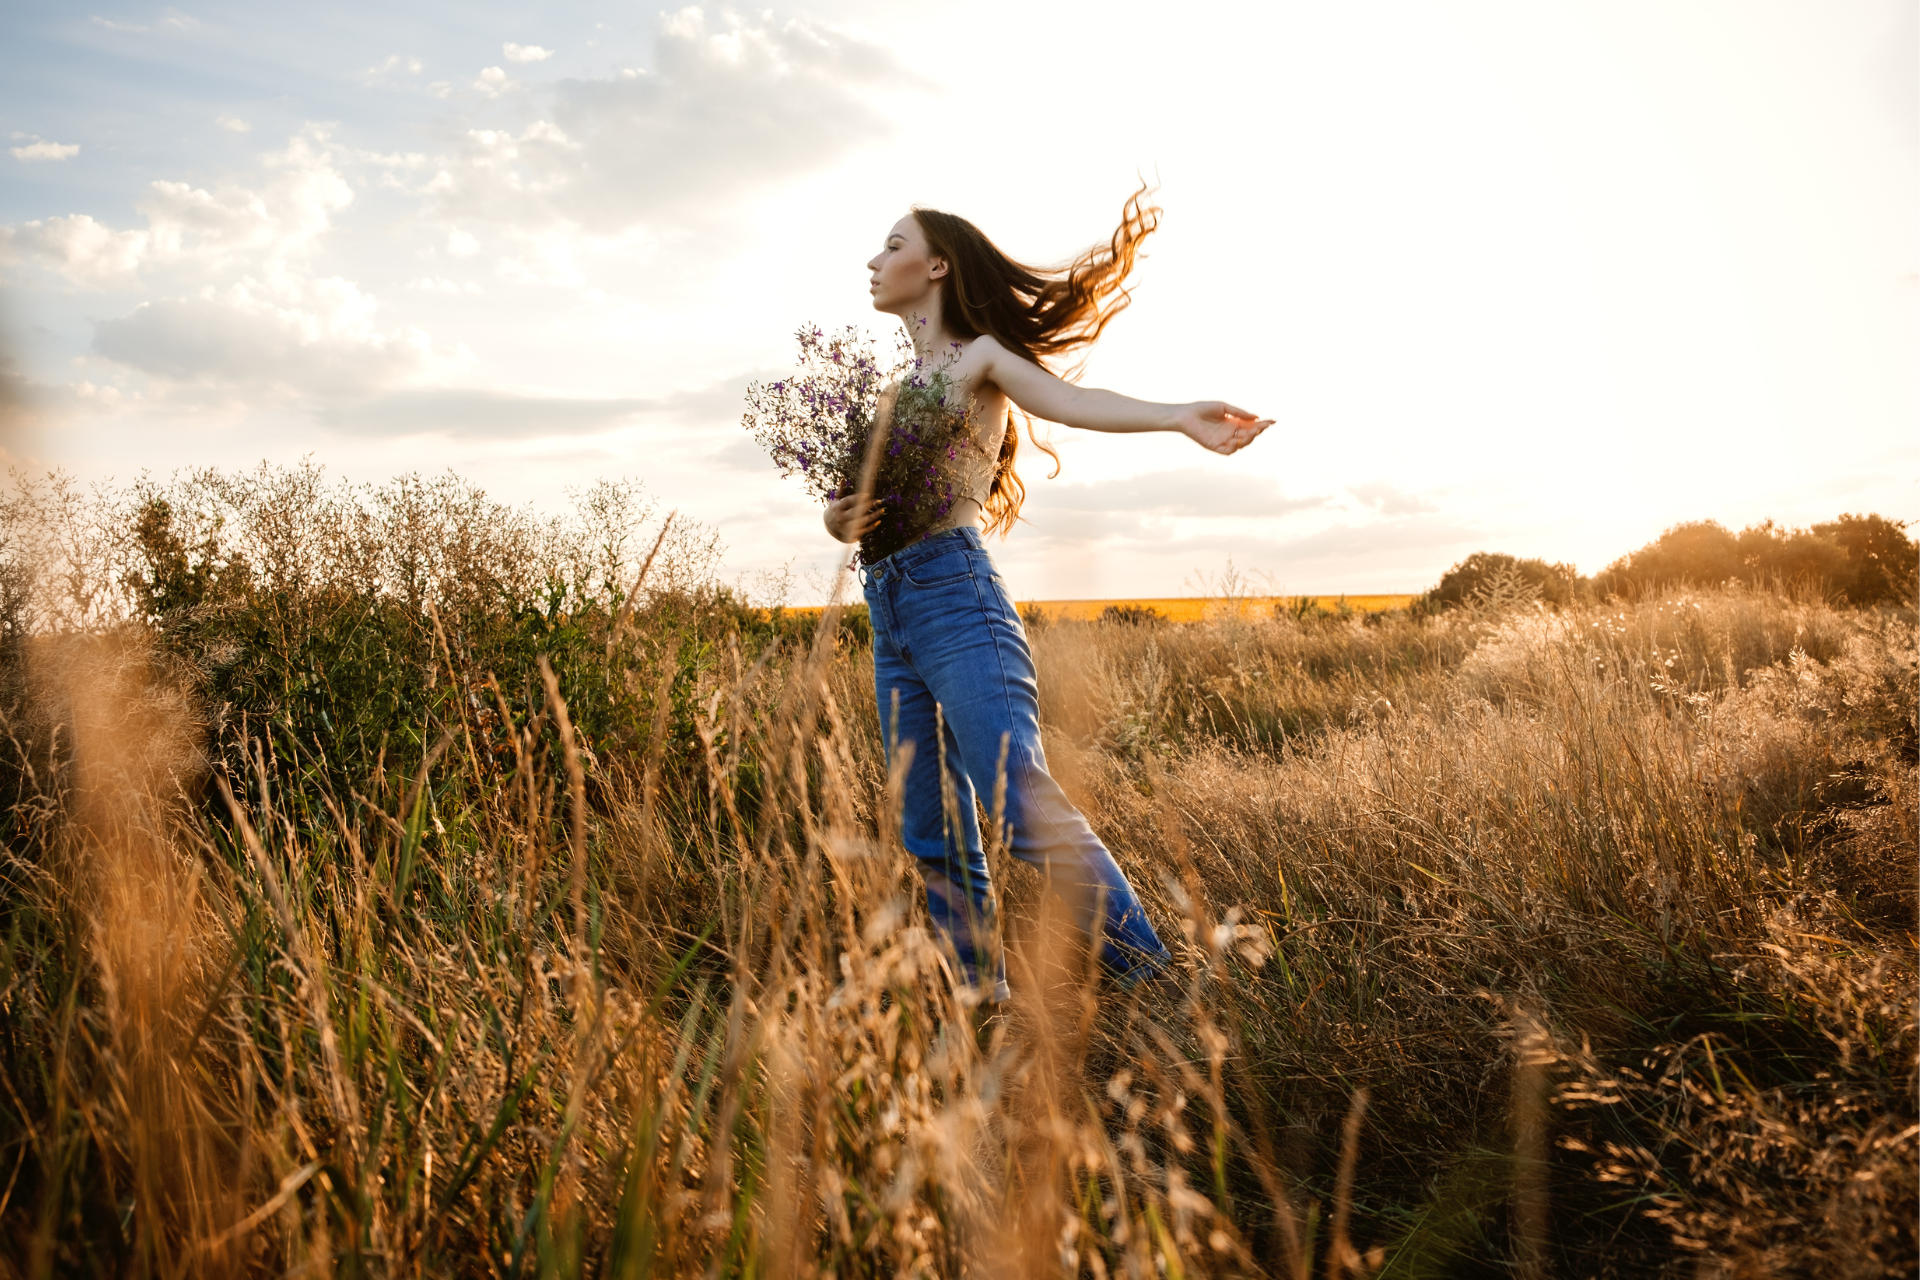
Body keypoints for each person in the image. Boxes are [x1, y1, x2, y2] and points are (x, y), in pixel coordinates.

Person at [823, 189, 1270, 1002]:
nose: (873, 260)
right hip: (888, 609)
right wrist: (837, 516)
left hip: (955, 598)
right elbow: (851, 509)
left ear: (936, 266)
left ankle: (1153, 983)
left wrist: (1177, 417)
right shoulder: (891, 393)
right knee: (931, 825)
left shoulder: (980, 358)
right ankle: (978, 992)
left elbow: (1072, 401)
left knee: (1017, 799)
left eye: (892, 245)